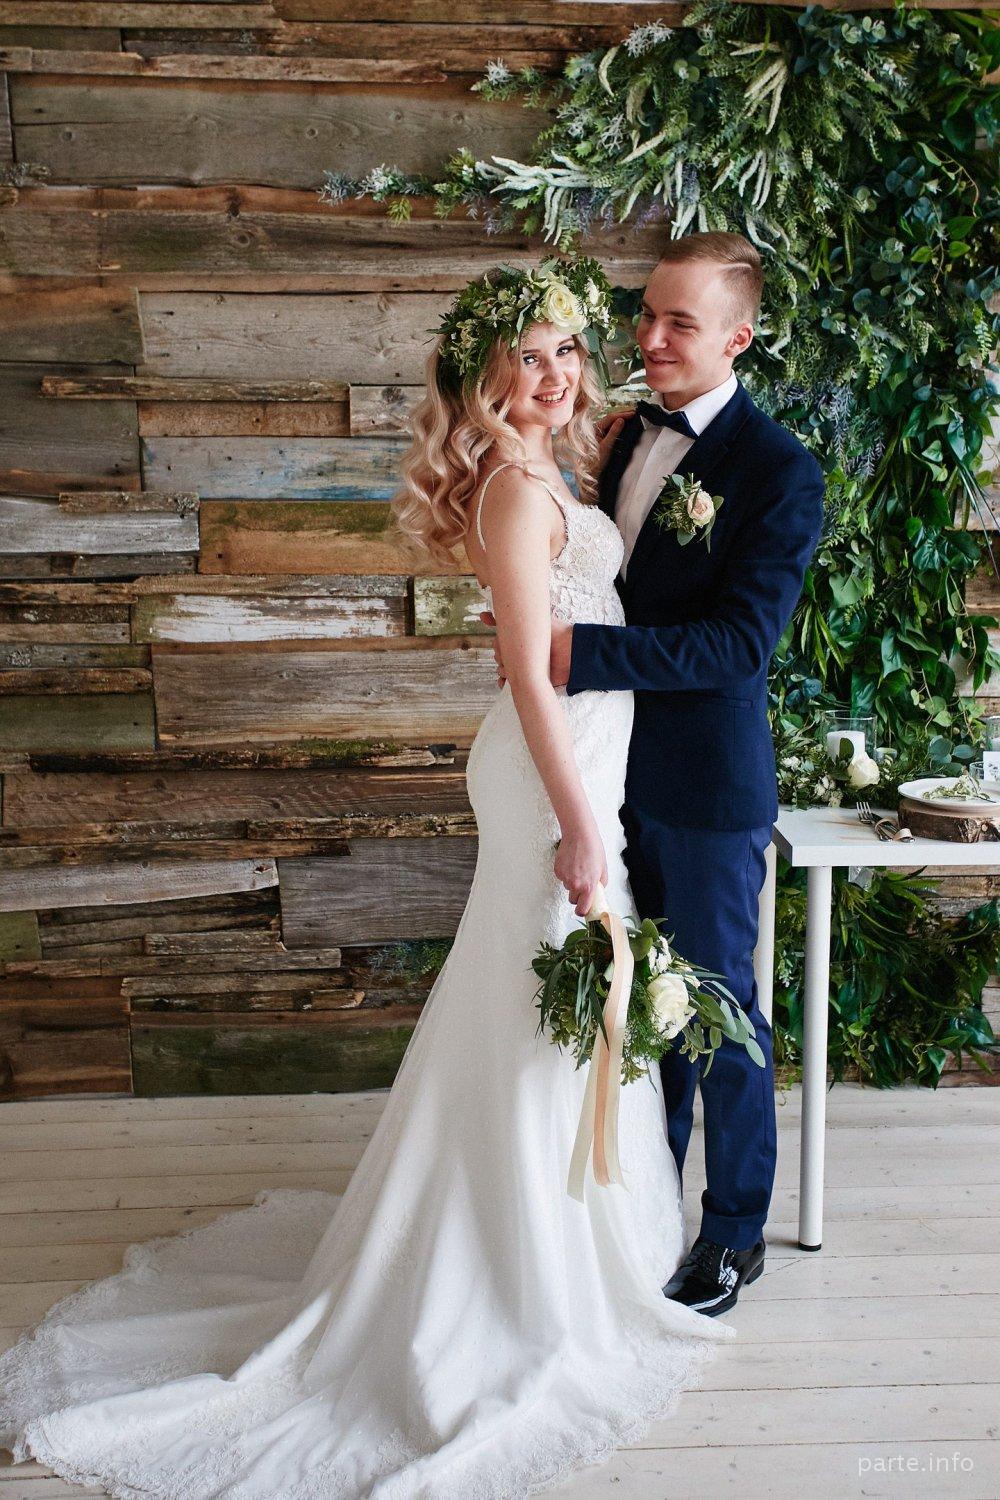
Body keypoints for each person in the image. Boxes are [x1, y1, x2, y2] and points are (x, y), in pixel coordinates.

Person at [0, 256, 733, 1500]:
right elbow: (526, 672)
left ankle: (561, 1238)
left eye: (565, 348)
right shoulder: (514, 492)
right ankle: (503, 1274)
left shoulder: (556, 469)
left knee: (534, 1004)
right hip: (548, 773)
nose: (554, 373)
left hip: (587, 765)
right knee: (532, 995)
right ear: (484, 377)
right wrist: (576, 823)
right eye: (527, 355)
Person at [491, 233, 825, 1316]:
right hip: (607, 770)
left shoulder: (778, 470)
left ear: (738, 338)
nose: (651, 337)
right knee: (635, 1006)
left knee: (717, 1012)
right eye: (646, 314)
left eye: (680, 322)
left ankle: (732, 1235)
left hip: (706, 787)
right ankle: (638, 1212)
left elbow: (739, 646)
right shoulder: (628, 431)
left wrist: (575, 655)